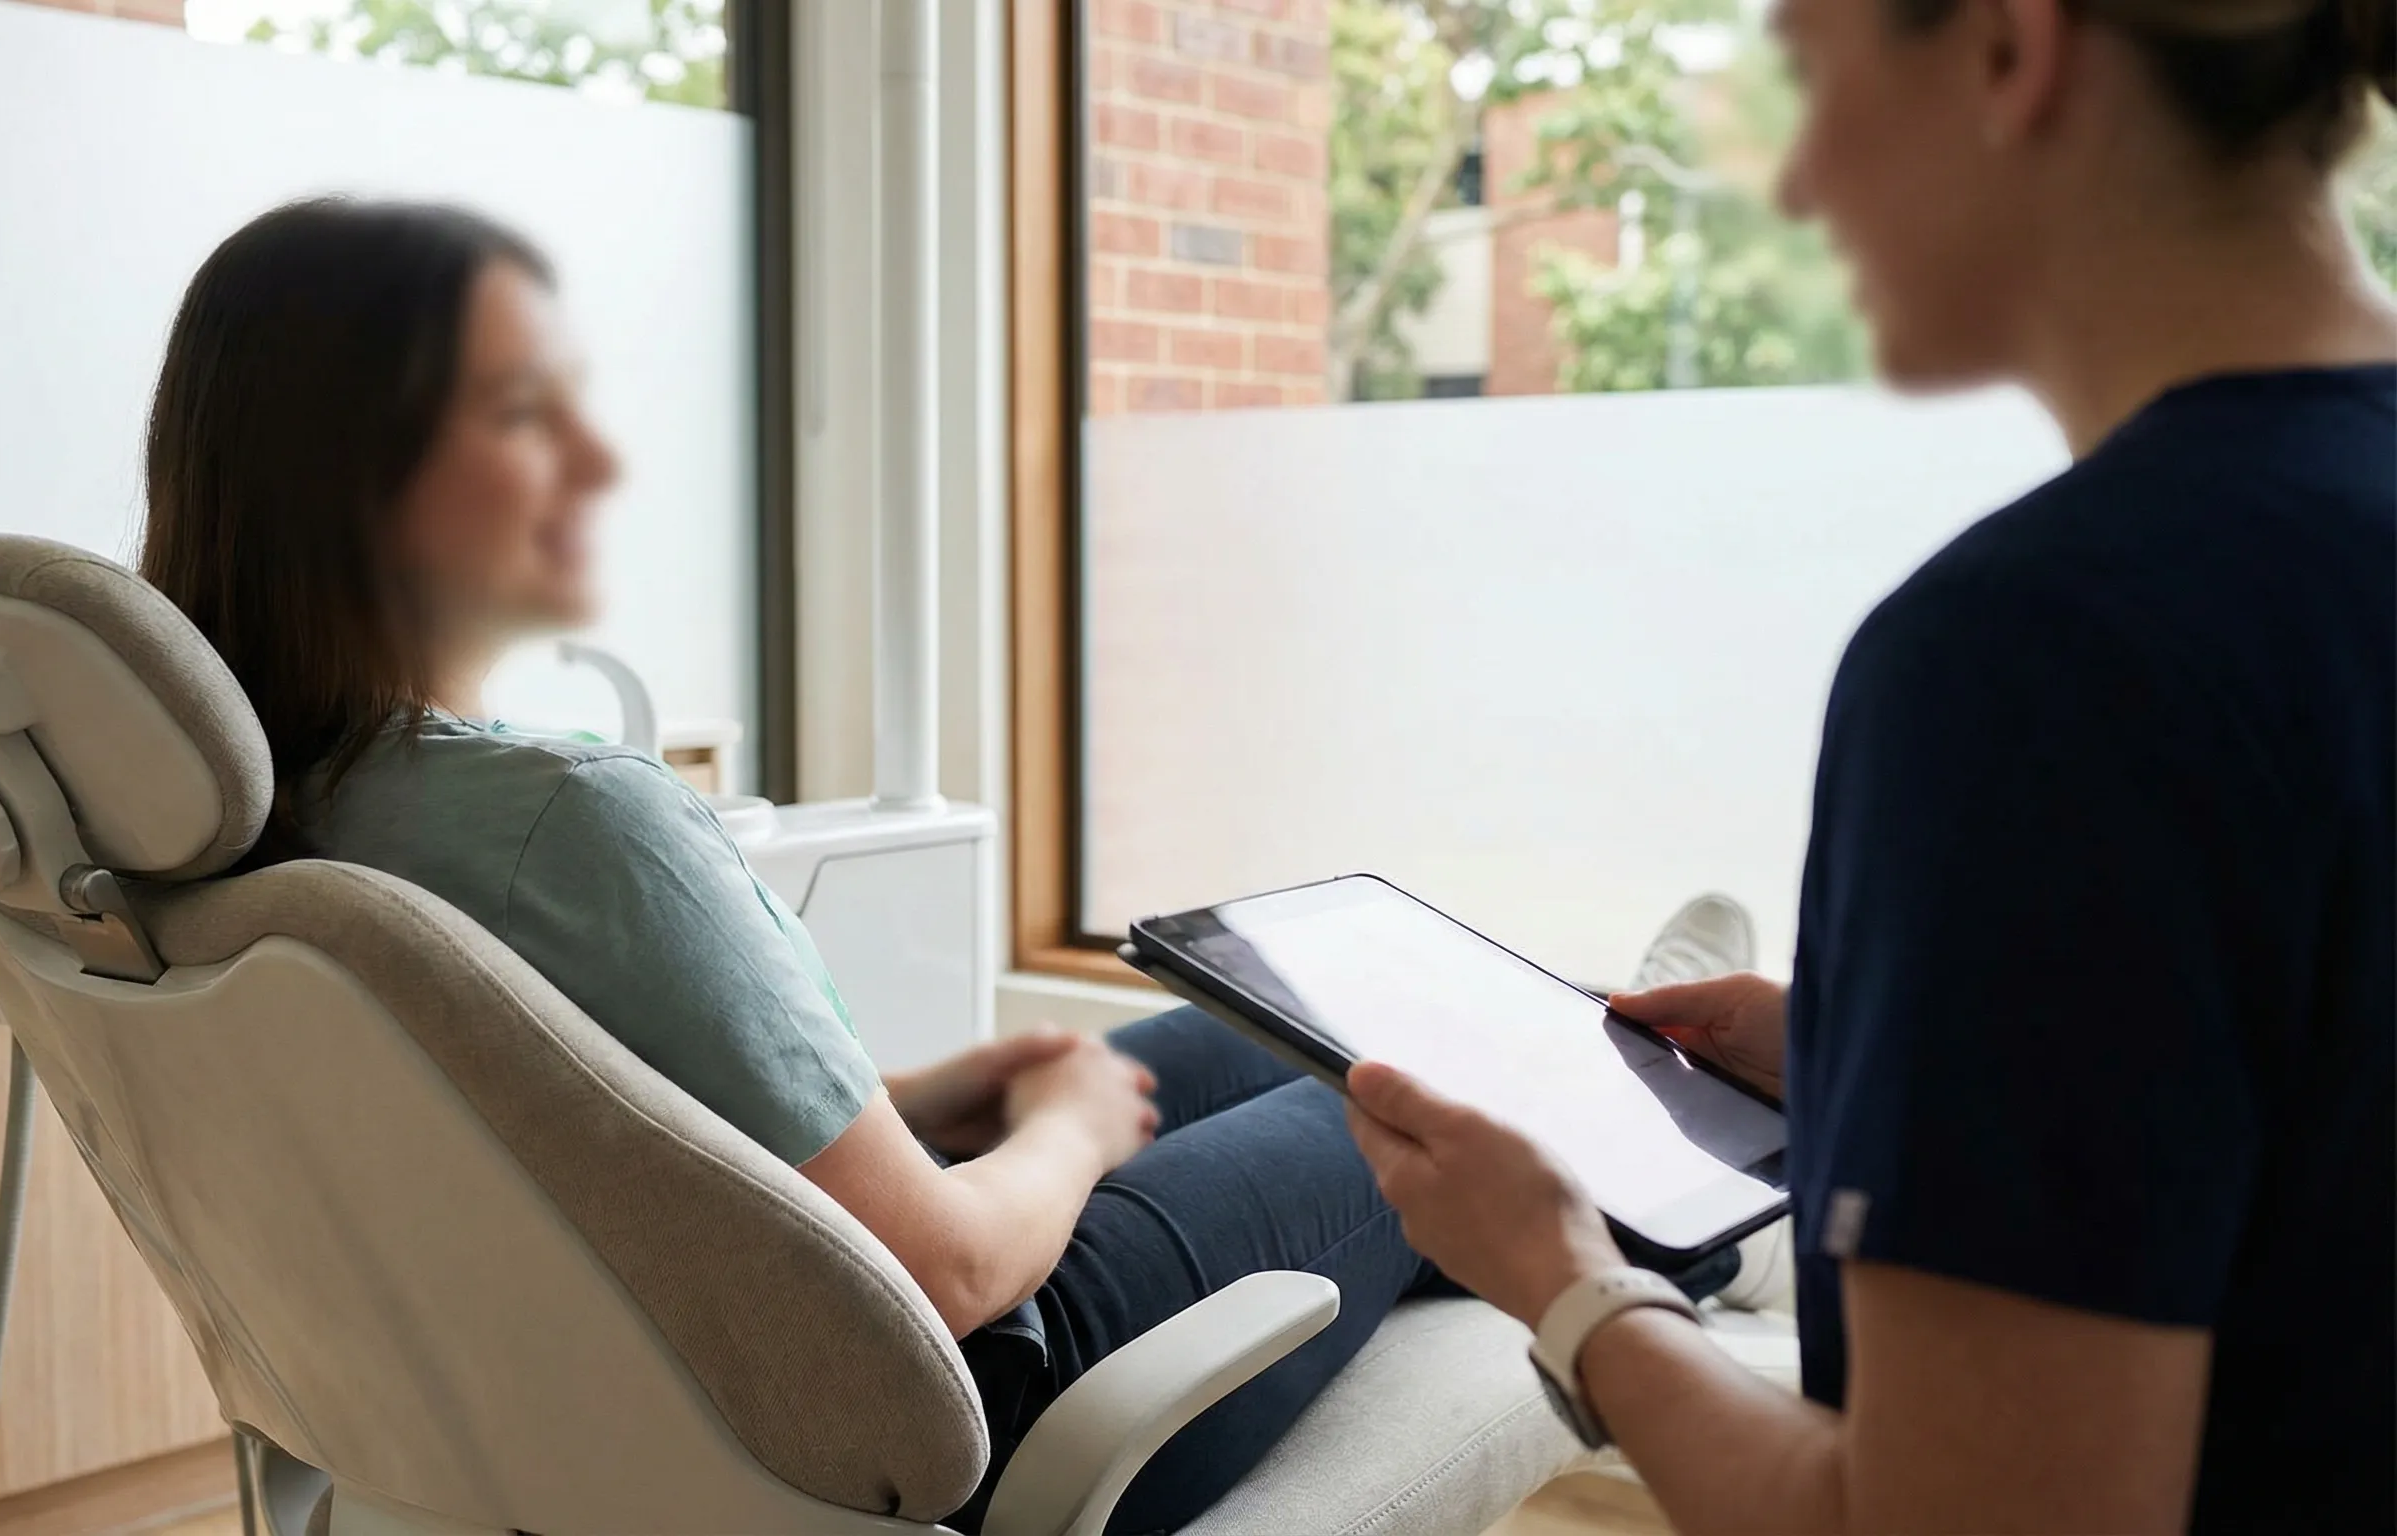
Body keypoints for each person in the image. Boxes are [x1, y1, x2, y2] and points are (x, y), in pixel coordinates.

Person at [133, 198, 1753, 1530]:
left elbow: (586, 1136)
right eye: (522, 413)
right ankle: (1681, 1145)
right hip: (967, 1401)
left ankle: (1649, 1129)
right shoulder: (578, 822)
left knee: (1258, 1020)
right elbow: (954, 1266)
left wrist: (909, 1101)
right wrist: (1050, 1135)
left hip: (658, 1362)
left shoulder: (276, 828)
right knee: (1406, 1088)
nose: (603, 463)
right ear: (362, 483)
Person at [1346, 0, 2394, 1529]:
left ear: (2005, 51)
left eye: (1815, 80)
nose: (1800, 184)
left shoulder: (2042, 660)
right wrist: (1892, 1070)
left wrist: (1562, 1278)